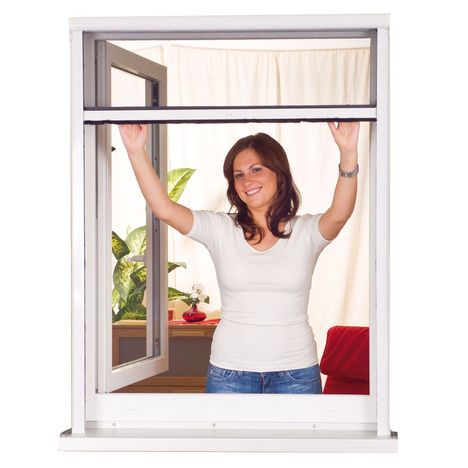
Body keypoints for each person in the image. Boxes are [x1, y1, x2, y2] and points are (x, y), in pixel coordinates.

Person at [118, 122, 360, 394]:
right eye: (238, 175)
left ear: (279, 174)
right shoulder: (220, 229)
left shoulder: (306, 232)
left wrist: (348, 152)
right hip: (230, 373)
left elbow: (340, 214)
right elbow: (164, 209)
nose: (247, 181)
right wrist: (136, 151)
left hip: (297, 373)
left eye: (256, 169)